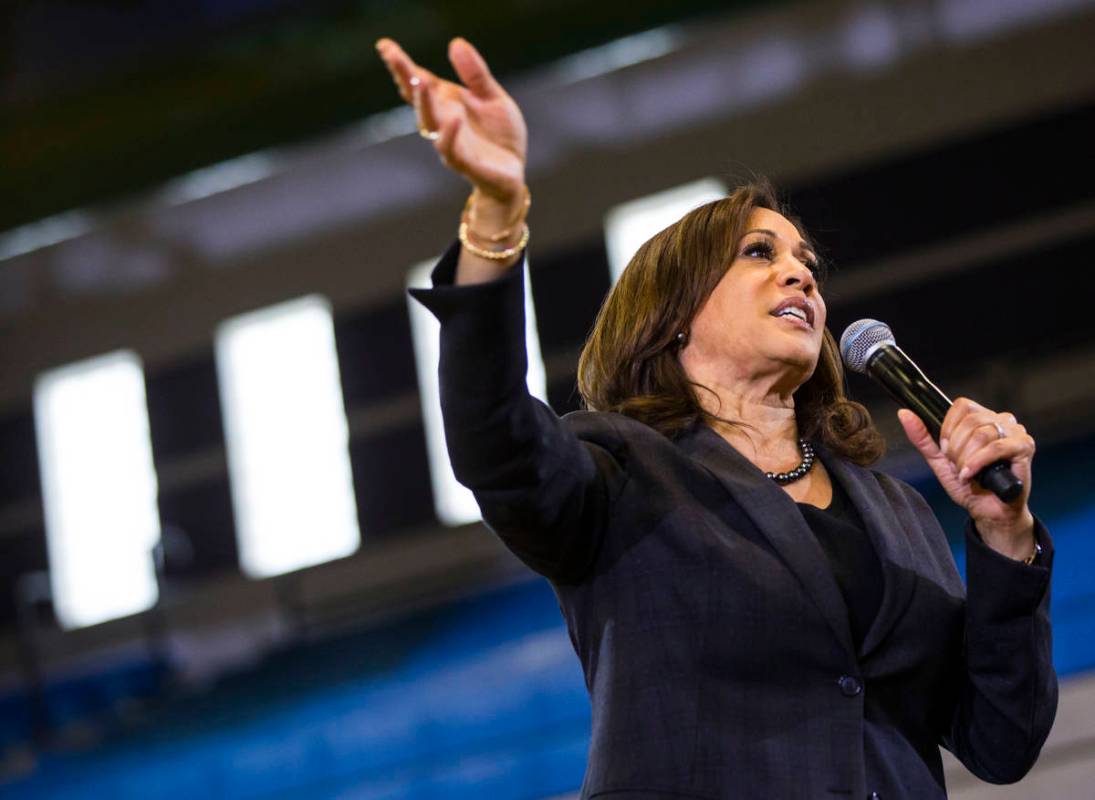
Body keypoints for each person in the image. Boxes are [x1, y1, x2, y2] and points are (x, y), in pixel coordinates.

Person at [377, 36, 1056, 799]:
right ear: (673, 315)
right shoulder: (618, 474)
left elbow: (1001, 740)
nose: (798, 270)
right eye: (758, 253)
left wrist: (1004, 535)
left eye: (804, 261)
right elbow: (492, 437)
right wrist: (496, 220)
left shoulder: (894, 508)